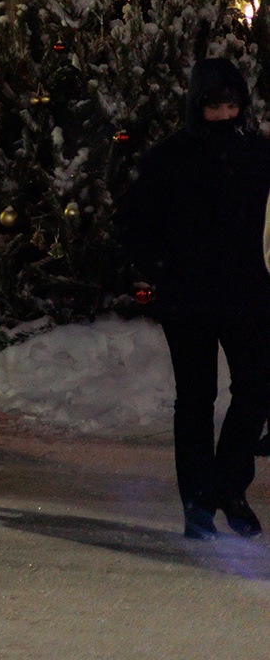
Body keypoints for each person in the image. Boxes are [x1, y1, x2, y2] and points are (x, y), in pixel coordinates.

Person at [117, 58, 270, 540]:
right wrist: (164, 269)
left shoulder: (259, 155)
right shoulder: (169, 159)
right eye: (214, 106)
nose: (225, 115)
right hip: (189, 298)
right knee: (195, 398)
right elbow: (132, 223)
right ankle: (198, 502)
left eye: (232, 105)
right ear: (195, 106)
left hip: (247, 294)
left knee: (256, 387)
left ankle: (228, 485)